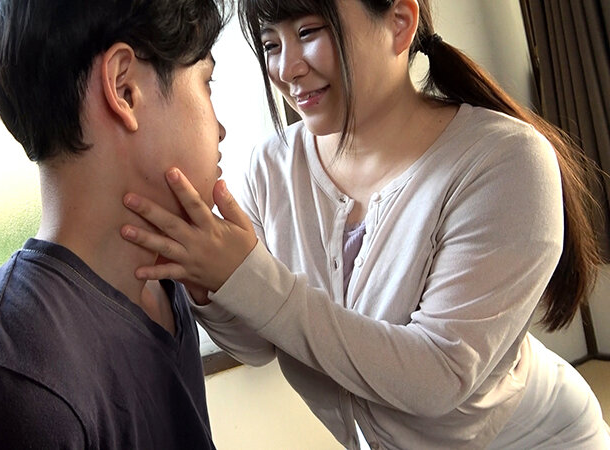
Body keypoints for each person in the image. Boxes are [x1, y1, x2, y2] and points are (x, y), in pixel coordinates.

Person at [119, 0, 610, 448]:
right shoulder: (270, 168)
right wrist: (206, 281)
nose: (287, 68)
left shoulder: (505, 161)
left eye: (309, 32)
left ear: (399, 23)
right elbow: (257, 343)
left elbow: (437, 376)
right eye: (271, 44)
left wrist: (244, 275)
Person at [0, 0, 229, 448]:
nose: (221, 129)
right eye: (206, 83)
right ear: (124, 89)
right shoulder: (8, 386)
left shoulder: (161, 282)